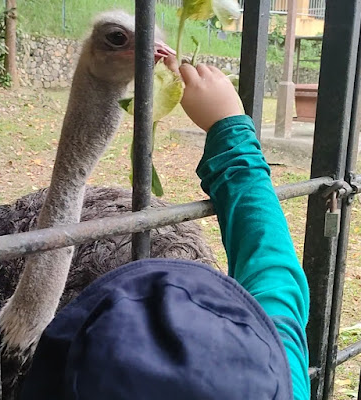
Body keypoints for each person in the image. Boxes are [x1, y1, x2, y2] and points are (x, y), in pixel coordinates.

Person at [21, 57, 310, 400]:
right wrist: (230, 127)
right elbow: (274, 273)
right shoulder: (280, 385)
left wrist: (228, 128)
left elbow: (275, 278)